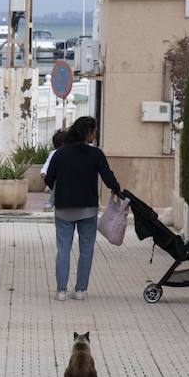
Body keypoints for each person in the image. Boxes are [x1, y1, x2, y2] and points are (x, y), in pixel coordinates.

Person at [43, 116, 123, 301]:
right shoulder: (96, 154)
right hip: (88, 209)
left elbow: (49, 179)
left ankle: (61, 291)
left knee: (63, 249)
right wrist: (117, 191)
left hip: (64, 209)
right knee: (86, 250)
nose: (95, 134)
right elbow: (108, 177)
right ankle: (80, 291)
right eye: (94, 131)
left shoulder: (60, 153)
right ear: (88, 132)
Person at [41, 129, 67, 211]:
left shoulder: (70, 152)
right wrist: (43, 171)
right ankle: (51, 202)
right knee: (54, 189)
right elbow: (47, 163)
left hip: (67, 175)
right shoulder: (54, 153)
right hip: (58, 176)